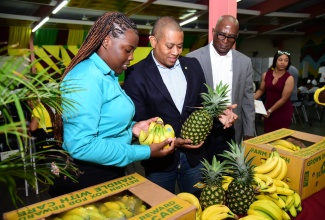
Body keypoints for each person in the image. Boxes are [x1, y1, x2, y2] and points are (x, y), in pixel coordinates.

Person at [48, 12, 175, 197]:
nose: (131, 57)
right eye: (127, 49)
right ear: (106, 41)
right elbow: (82, 145)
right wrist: (144, 151)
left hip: (107, 172)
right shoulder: (86, 78)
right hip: (86, 179)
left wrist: (132, 128)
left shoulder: (108, 76)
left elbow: (104, 124)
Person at [123, 16, 237, 196]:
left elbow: (203, 105)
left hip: (195, 159)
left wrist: (220, 114)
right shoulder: (135, 74)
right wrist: (173, 142)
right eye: (169, 46)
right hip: (159, 163)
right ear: (153, 41)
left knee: (195, 206)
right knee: (162, 208)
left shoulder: (192, 66)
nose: (176, 52)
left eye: (180, 46)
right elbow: (139, 123)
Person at [186, 15, 255, 143]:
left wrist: (249, 132)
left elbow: (248, 100)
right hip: (201, 128)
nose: (225, 41)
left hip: (232, 127)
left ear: (236, 37)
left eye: (231, 37)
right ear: (213, 32)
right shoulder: (192, 59)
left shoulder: (245, 62)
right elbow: (187, 98)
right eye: (221, 35)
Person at [254, 50, 294, 133]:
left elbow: (283, 99)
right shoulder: (266, 75)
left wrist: (270, 110)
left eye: (286, 60)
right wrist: (251, 99)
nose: (283, 62)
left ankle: (300, 144)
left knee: (282, 136)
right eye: (280, 60)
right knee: (268, 135)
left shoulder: (289, 78)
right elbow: (261, 90)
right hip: (268, 109)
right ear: (275, 60)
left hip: (282, 110)